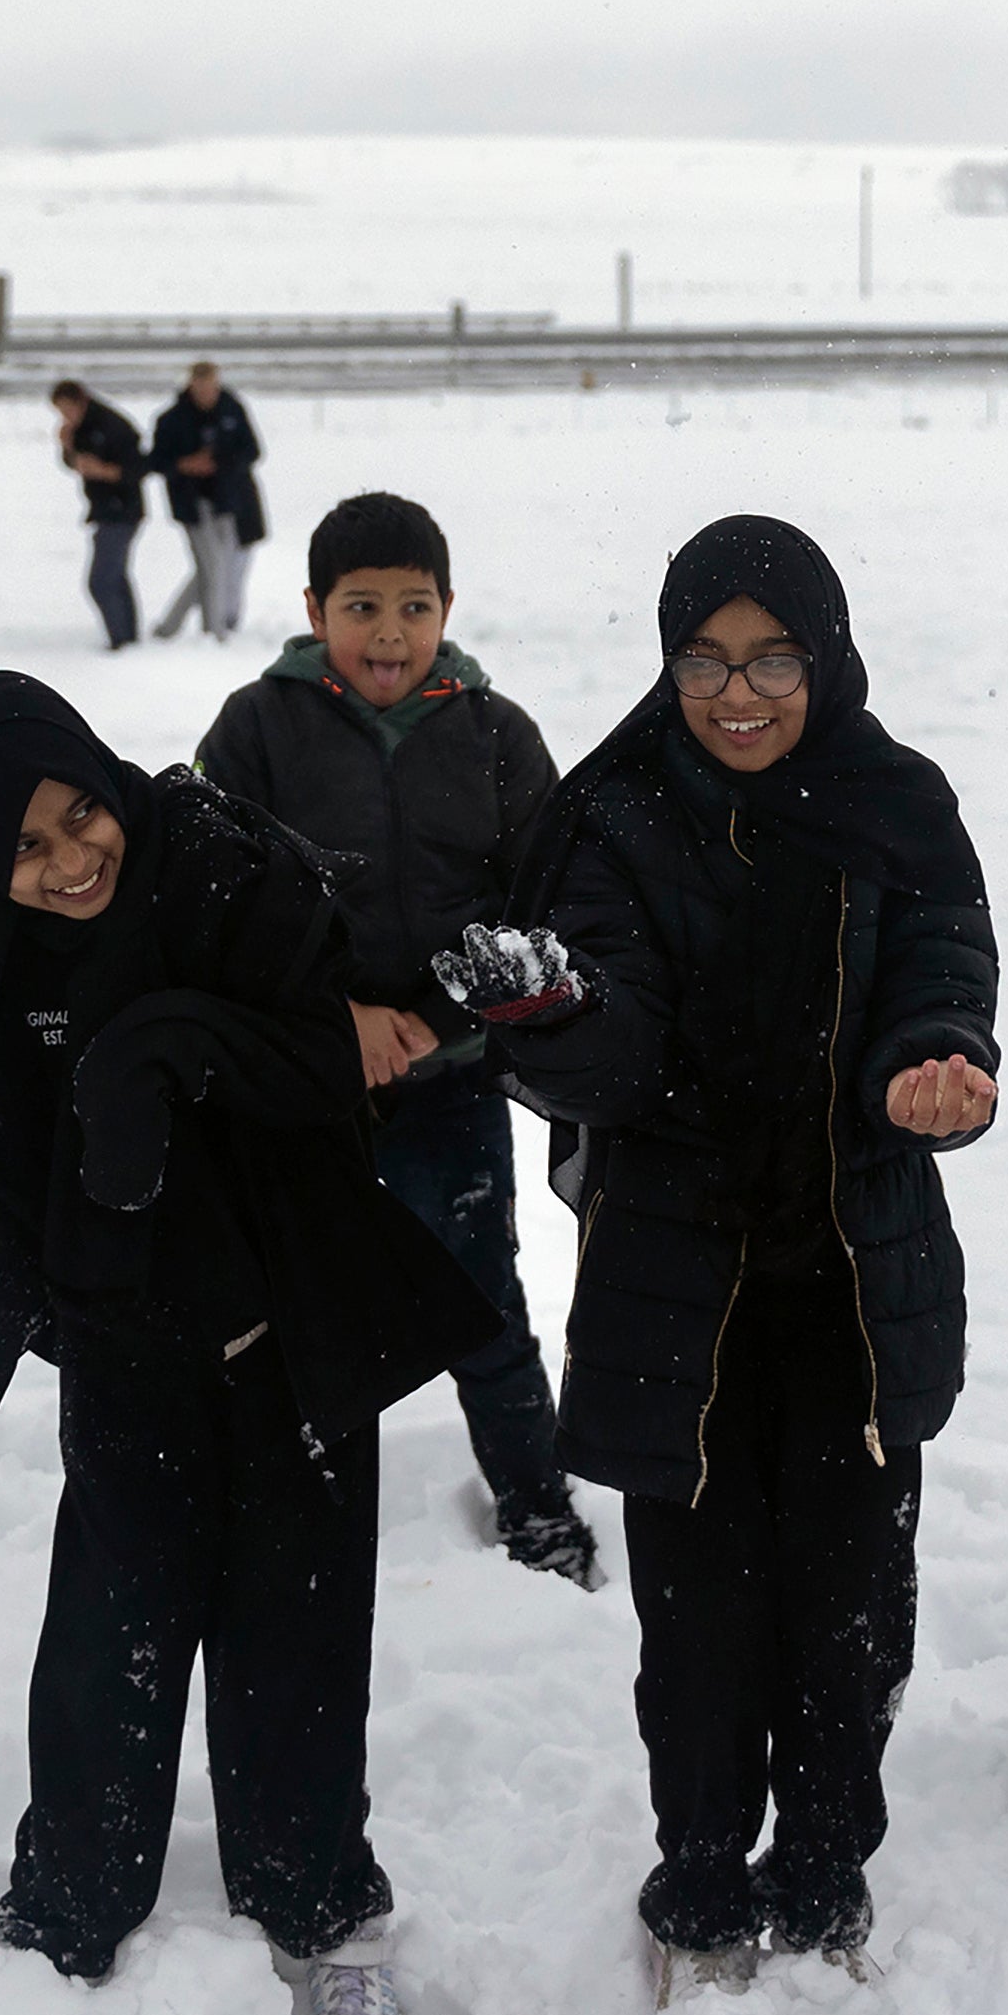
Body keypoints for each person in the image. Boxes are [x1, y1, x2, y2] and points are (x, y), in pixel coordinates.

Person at [0, 671, 498, 2015]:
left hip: (294, 1326)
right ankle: (72, 1907)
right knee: (111, 1638)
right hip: (132, 1343)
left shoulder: (216, 862)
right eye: (26, 849)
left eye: (81, 812)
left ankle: (323, 1917)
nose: (75, 856)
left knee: (298, 1640)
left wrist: (155, 1047)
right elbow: (17, 1175)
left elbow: (328, 1070)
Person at [441, 518, 999, 2001]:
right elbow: (619, 1059)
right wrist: (556, 1008)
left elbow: (944, 965)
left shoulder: (899, 803)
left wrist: (934, 1062)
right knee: (696, 1632)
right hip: (676, 1297)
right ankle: (696, 1888)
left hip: (855, 1288)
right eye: (704, 659)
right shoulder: (618, 813)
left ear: (824, 655)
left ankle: (824, 1878)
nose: (735, 692)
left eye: (770, 659)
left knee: (852, 1617)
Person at [194, 491, 597, 1588]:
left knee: (482, 1302)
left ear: (448, 608)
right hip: (300, 1092)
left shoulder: (496, 733)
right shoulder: (256, 729)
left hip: (448, 1085)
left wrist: (431, 1017)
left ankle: (538, 1509)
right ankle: (283, 1516)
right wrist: (340, 1019)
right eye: (361, 606)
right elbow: (214, 899)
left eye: (413, 607)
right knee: (285, 1316)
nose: (388, 634)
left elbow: (544, 906)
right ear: (315, 609)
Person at [147, 361, 265, 643]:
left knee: (216, 565)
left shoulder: (231, 410)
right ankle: (213, 630)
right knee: (212, 565)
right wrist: (185, 465)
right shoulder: (173, 418)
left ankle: (177, 625)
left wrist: (219, 463)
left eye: (211, 387)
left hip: (227, 500)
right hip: (192, 503)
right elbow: (156, 460)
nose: (206, 393)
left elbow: (251, 451)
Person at [51, 381, 150, 650]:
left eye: (68, 410)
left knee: (102, 580)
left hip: (122, 509)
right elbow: (76, 464)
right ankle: (128, 636)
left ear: (80, 402)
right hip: (104, 509)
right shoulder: (81, 427)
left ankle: (121, 639)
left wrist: (105, 471)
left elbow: (139, 467)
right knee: (116, 576)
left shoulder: (112, 425)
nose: (65, 417)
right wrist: (67, 448)